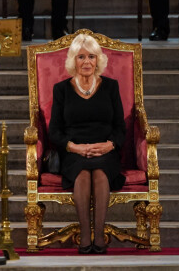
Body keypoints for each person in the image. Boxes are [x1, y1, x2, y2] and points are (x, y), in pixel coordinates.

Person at [48, 34, 126, 255]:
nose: (87, 62)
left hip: (106, 149)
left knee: (100, 173)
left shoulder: (111, 87)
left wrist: (110, 145)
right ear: (73, 61)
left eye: (91, 56)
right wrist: (74, 147)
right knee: (82, 173)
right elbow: (54, 131)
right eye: (81, 57)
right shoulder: (61, 89)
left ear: (98, 60)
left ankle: (99, 236)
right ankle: (84, 236)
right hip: (73, 151)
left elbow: (120, 127)